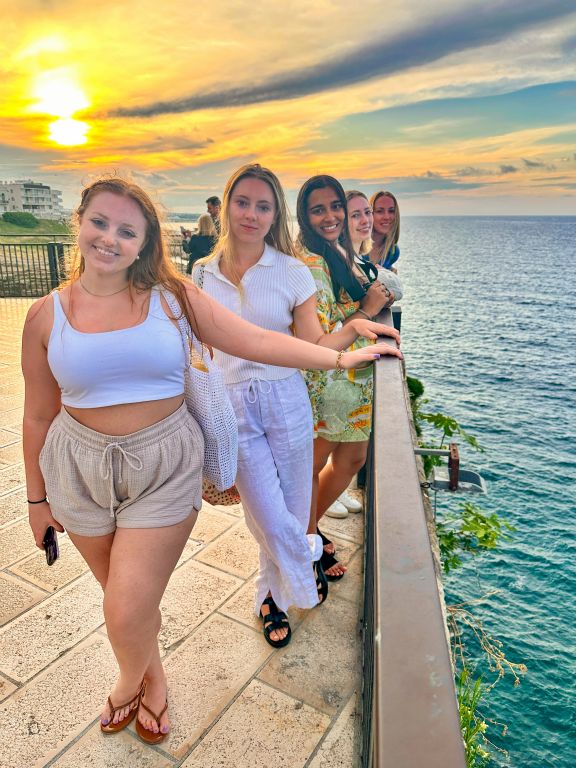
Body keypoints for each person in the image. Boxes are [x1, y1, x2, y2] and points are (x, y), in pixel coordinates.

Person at [21, 176, 399, 744]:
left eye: (127, 230)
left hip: (164, 464)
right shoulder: (44, 316)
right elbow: (37, 416)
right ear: (79, 223)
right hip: (78, 469)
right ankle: (153, 677)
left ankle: (126, 685)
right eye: (99, 222)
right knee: (124, 597)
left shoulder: (172, 296)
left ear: (144, 242)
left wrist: (341, 358)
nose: (110, 238)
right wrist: (36, 500)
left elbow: (255, 340)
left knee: (125, 607)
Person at [194, 163, 401, 647]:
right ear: (227, 206)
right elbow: (199, 350)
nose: (251, 214)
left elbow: (314, 343)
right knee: (266, 511)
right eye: (242, 202)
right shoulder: (202, 273)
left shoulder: (290, 271)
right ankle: (305, 568)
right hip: (233, 406)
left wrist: (352, 336)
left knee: (289, 503)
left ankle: (271, 596)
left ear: (276, 214)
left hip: (286, 400)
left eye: (263, 206)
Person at [296, 176, 397, 579]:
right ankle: (303, 546)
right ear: (303, 216)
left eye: (335, 206)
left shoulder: (335, 251)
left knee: (352, 459)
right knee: (314, 464)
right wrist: (368, 310)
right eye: (318, 209)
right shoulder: (311, 263)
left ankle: (307, 532)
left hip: (352, 384)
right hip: (329, 381)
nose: (331, 216)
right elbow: (322, 337)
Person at [368, 190, 401, 272]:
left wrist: (390, 275)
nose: (387, 217)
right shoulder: (356, 247)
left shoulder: (393, 252)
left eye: (391, 211)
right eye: (380, 211)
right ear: (370, 214)